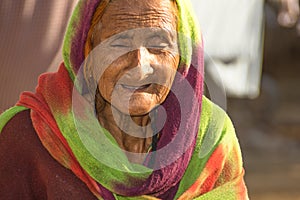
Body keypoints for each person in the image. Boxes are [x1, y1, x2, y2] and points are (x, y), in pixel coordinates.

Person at [0, 0, 248, 199]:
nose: (140, 68)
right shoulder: (27, 137)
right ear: (87, 50)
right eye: (119, 44)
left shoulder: (210, 137)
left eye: (158, 45)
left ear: (182, 57)